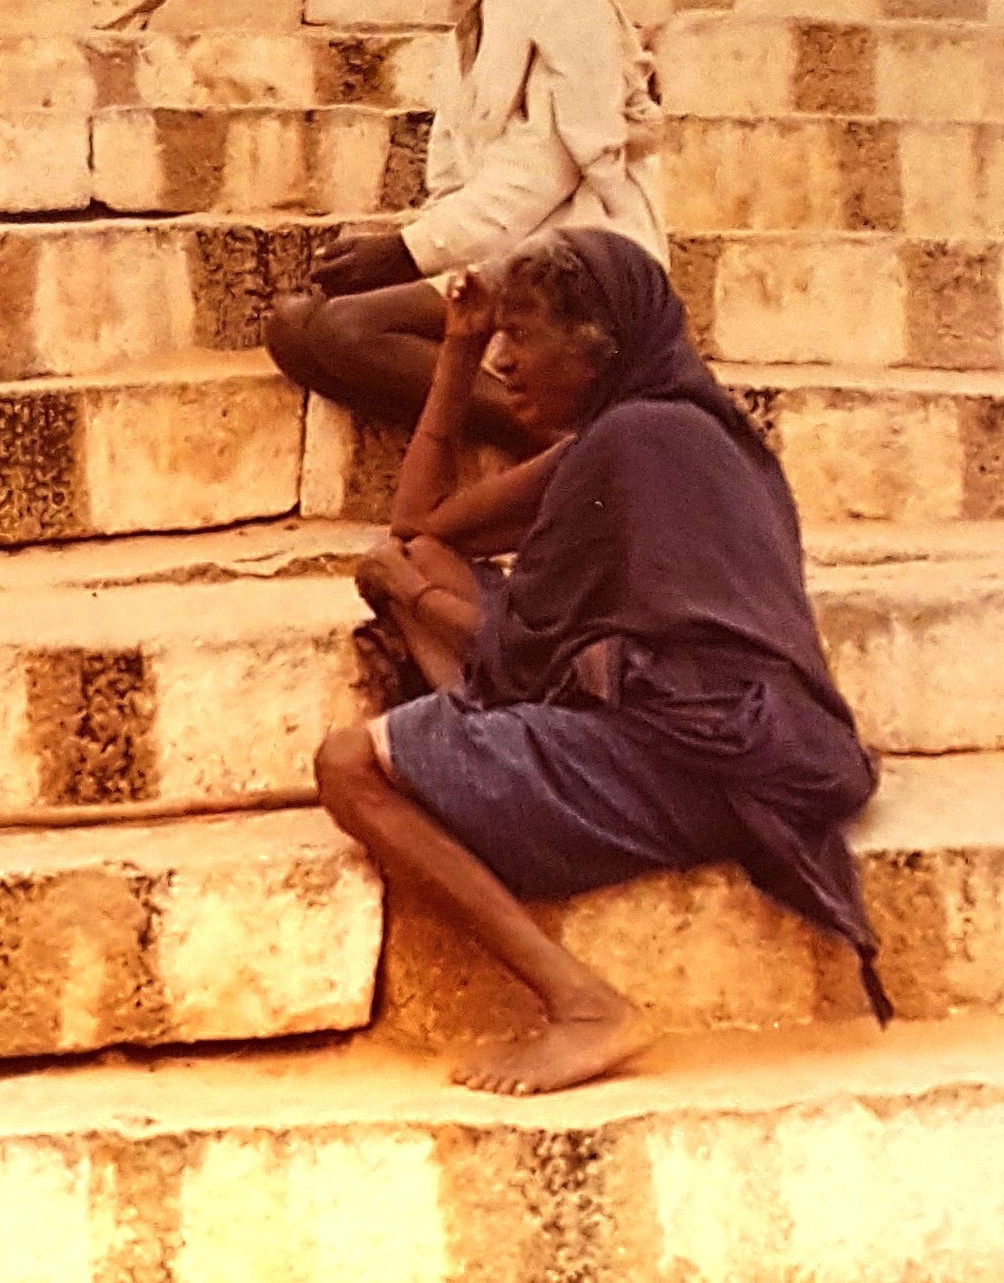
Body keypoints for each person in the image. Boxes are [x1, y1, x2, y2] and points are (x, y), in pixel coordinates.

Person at [315, 228, 889, 1097]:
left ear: (598, 349)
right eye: (499, 338)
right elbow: (421, 526)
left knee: (349, 764)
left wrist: (415, 597)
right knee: (420, 569)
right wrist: (456, 351)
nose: (505, 361)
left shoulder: (634, 440)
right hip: (748, 738)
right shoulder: (661, 419)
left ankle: (585, 1005)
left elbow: (514, 659)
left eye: (522, 337)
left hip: (704, 755)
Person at [266, 0, 666, 457]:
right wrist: (415, 258)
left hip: (582, 266)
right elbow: (453, 182)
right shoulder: (475, 22)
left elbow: (543, 173)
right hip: (501, 260)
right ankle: (507, 412)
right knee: (291, 327)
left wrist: (406, 252)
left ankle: (562, 443)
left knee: (345, 331)